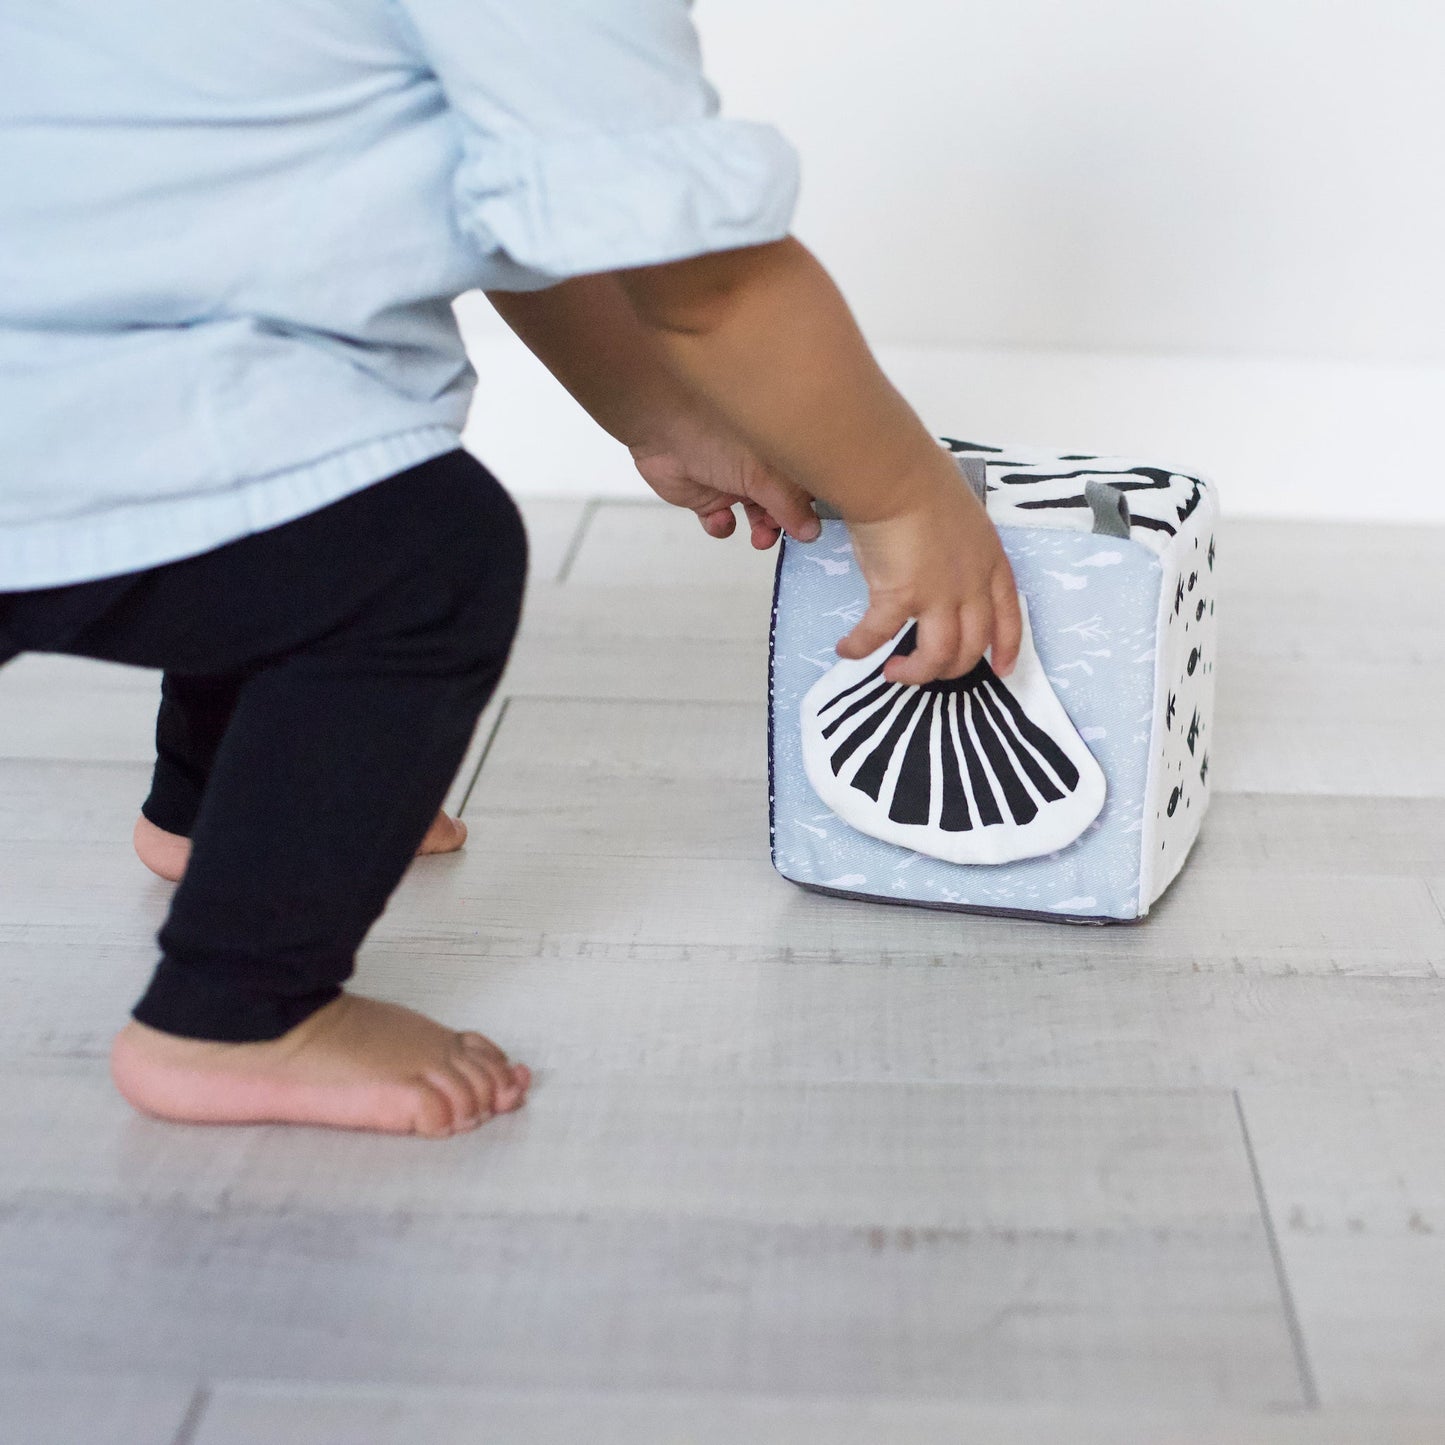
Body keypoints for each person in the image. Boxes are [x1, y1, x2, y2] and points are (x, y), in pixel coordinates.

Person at [0, 0, 1021, 1138]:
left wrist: (661, 414)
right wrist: (906, 494)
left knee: (300, 496)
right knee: (415, 560)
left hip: (61, 376)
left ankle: (222, 810)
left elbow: (538, 208)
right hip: (71, 427)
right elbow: (705, 281)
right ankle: (238, 1014)